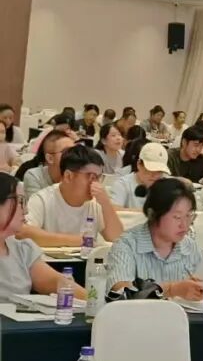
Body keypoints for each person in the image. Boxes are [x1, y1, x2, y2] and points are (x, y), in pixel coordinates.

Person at [105, 178, 203, 299]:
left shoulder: (190, 246)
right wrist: (171, 290)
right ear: (152, 214)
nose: (184, 225)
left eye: (189, 216)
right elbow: (121, 293)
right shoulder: (127, 245)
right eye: (177, 217)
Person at [0, 173, 88, 301]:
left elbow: (56, 282)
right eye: (20, 202)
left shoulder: (22, 250)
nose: (26, 211)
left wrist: (96, 303)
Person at [19, 145, 123, 247]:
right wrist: (78, 241)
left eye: (99, 177)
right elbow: (23, 232)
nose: (96, 183)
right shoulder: (42, 199)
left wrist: (106, 203)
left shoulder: (96, 203)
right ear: (68, 176)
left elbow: (116, 238)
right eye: (92, 177)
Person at [107, 142, 170, 211]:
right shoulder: (123, 184)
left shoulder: (167, 184)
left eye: (159, 171)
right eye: (150, 169)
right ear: (139, 164)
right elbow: (114, 210)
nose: (154, 175)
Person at [22, 129, 76, 200]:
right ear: (50, 158)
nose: (73, 155)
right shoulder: (34, 176)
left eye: (75, 150)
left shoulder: (80, 173)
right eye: (66, 151)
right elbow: (39, 206)